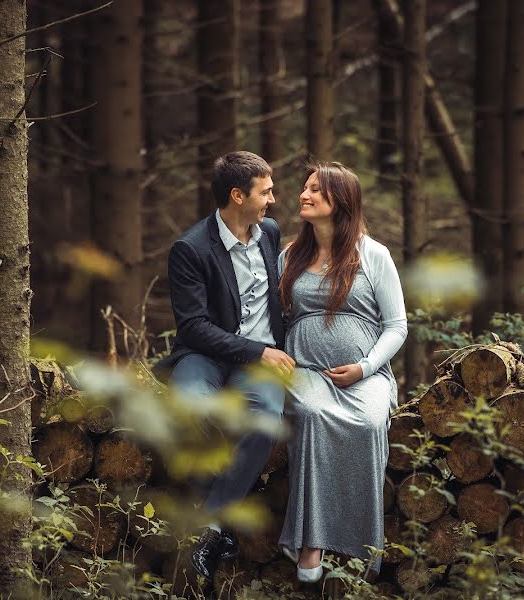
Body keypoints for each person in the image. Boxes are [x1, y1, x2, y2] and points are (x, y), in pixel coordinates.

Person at [156, 151, 296, 581]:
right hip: (206, 356)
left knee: (264, 423)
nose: (273, 200)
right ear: (238, 195)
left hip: (260, 364)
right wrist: (257, 351)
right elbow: (194, 327)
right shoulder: (190, 248)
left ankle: (210, 525)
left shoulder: (269, 233)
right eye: (265, 191)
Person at [277, 161, 407, 582]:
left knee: (370, 425)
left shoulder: (374, 255)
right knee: (313, 416)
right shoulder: (290, 256)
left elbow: (397, 325)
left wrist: (366, 367)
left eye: (316, 190)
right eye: (305, 188)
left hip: (365, 375)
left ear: (342, 202)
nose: (304, 195)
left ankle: (361, 548)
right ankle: (311, 541)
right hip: (306, 371)